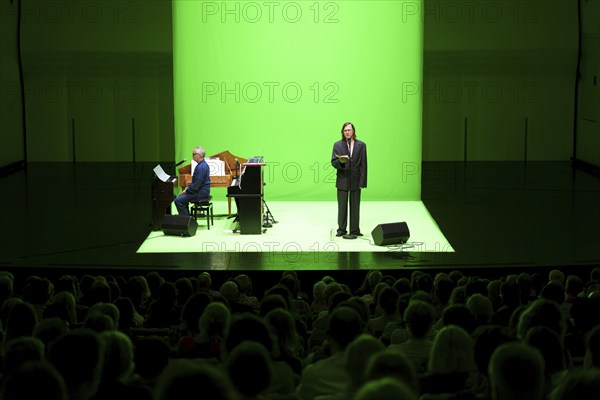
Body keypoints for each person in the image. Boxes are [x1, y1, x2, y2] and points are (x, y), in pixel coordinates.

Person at [331, 122, 367, 239]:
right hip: (342, 180)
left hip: (356, 181)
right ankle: (341, 230)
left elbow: (363, 165)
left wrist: (362, 182)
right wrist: (340, 162)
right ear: (343, 132)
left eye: (349, 130)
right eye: (345, 130)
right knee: (342, 207)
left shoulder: (361, 145)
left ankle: (355, 230)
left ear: (353, 131)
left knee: (355, 206)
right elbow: (333, 162)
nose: (347, 132)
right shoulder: (337, 145)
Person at [174, 146, 211, 215]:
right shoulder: (202, 165)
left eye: (193, 154)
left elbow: (197, 184)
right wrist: (187, 190)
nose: (192, 155)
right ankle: (188, 218)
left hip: (200, 193)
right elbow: (196, 183)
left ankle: (186, 221)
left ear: (199, 155)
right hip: (201, 191)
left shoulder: (201, 167)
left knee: (178, 200)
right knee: (181, 198)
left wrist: (187, 190)